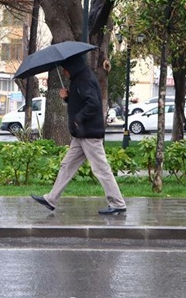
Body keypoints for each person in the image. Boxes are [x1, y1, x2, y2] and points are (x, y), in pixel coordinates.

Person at [31, 55, 127, 215]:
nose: (64, 72)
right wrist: (68, 98)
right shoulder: (81, 79)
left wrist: (78, 118)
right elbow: (82, 101)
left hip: (89, 133)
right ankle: (51, 199)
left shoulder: (85, 80)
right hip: (81, 134)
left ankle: (118, 203)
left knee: (101, 169)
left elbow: (93, 104)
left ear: (72, 67)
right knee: (67, 165)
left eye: (65, 68)